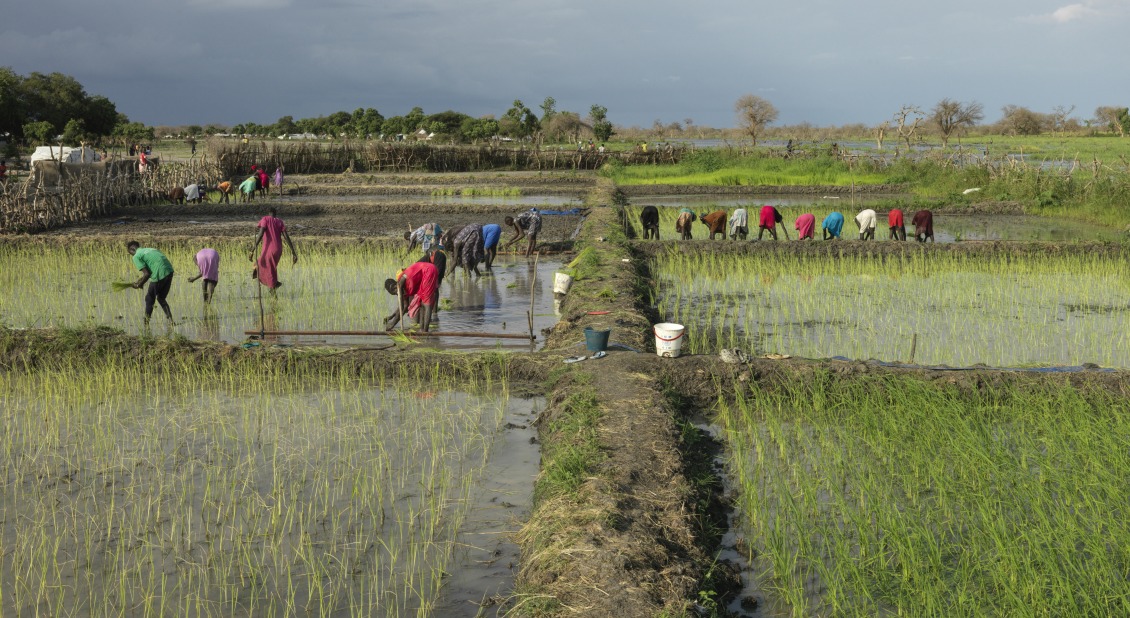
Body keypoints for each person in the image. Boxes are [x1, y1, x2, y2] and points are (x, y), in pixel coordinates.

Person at [126, 241, 175, 325]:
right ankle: (171, 321)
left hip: (159, 273)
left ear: (131, 249)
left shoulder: (136, 256)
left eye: (129, 253)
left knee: (149, 298)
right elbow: (150, 270)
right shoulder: (151, 249)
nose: (131, 255)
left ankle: (146, 322)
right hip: (169, 271)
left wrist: (139, 285)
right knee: (161, 298)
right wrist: (140, 281)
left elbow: (147, 274)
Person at [250, 207, 298, 290]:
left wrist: (252, 250)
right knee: (270, 267)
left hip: (269, 249)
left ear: (269, 213)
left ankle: (273, 286)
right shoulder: (279, 221)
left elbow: (261, 234)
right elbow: (286, 237)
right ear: (275, 214)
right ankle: (274, 284)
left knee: (262, 265)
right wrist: (293, 252)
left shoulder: (265, 219)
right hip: (278, 250)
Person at [383, 261, 439, 332]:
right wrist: (392, 322)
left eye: (395, 288)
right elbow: (404, 307)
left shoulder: (401, 282)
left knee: (427, 303)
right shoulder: (402, 291)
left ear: (396, 283)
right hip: (423, 276)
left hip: (428, 270)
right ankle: (422, 329)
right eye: (394, 292)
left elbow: (402, 306)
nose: (397, 292)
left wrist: (392, 323)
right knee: (420, 302)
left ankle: (425, 332)